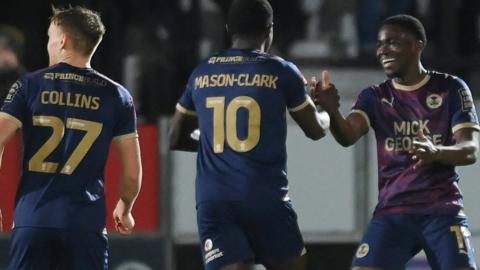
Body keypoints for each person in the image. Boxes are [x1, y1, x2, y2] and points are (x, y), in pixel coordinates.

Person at [169, 0, 330, 269]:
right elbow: (315, 130)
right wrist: (325, 111)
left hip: (214, 200)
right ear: (270, 30)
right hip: (266, 198)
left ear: (228, 28)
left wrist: (214, 143)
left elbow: (175, 137)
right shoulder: (280, 71)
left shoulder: (202, 72)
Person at [314, 14, 479, 270]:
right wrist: (333, 112)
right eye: (380, 44)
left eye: (393, 42)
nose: (383, 50)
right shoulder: (374, 96)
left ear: (418, 44)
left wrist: (436, 152)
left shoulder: (451, 88)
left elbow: (470, 150)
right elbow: (347, 136)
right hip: (393, 211)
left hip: (442, 210)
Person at [0, 6, 142, 270]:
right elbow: (132, 174)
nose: (49, 44)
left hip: (34, 220)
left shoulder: (28, 85)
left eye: (50, 37)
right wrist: (126, 205)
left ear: (63, 40)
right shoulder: (118, 96)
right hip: (85, 225)